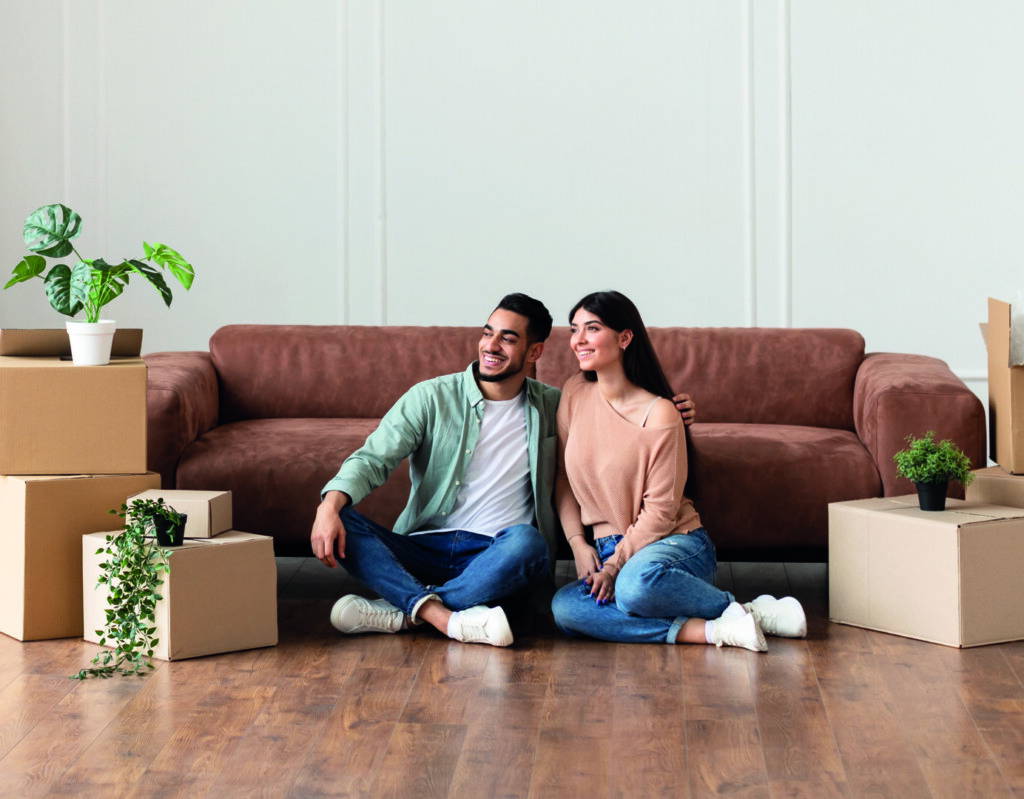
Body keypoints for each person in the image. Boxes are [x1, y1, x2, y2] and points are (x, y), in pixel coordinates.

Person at [310, 292, 698, 647]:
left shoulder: (555, 404)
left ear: (535, 351)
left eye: (508, 338)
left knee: (526, 542)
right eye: (487, 334)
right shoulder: (430, 398)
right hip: (424, 544)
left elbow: (614, 420)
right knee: (341, 513)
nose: (490, 347)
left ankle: (403, 608)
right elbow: (372, 459)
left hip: (498, 554)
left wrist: (671, 410)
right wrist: (329, 505)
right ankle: (442, 615)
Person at [550, 291, 806, 649]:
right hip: (605, 548)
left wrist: (615, 566)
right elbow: (562, 479)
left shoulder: (660, 412)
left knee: (635, 587)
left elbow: (661, 511)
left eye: (592, 329)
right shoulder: (575, 392)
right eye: (574, 329)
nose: (578, 340)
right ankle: (719, 628)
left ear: (624, 338)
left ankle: (738, 609)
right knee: (565, 609)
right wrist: (577, 543)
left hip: (670, 544)